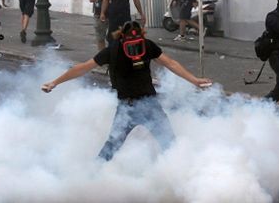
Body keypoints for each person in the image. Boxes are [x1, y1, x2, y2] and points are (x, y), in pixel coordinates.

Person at [42, 20, 212, 161]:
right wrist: (194, 80)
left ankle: (90, 177)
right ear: (142, 34)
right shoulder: (146, 45)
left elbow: (83, 68)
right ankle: (181, 178)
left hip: (129, 106)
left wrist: (55, 82)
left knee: (112, 146)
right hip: (148, 105)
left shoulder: (113, 50)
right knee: (169, 145)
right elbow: (170, 63)